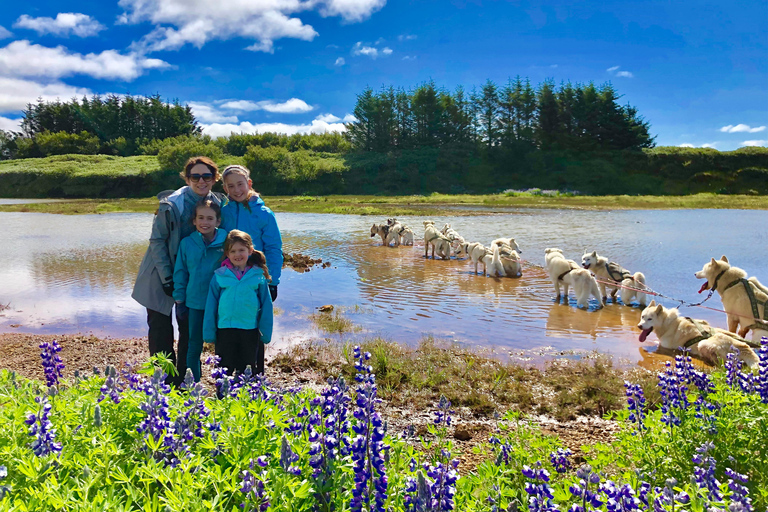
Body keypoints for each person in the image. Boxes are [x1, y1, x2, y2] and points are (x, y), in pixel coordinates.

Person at [131, 156, 224, 384]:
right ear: (187, 178)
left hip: (194, 276)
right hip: (160, 270)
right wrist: (167, 278)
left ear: (215, 179)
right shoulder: (171, 203)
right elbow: (157, 241)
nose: (201, 181)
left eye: (207, 176)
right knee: (160, 329)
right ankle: (163, 380)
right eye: (195, 176)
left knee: (189, 329)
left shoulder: (218, 204)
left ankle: (185, 377)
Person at [203, 230, 273, 375]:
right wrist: (209, 331)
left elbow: (267, 306)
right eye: (233, 251)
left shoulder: (258, 276)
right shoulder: (220, 275)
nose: (237, 254)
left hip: (249, 330)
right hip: (225, 330)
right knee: (224, 370)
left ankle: (245, 396)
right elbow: (211, 306)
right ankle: (222, 396)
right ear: (227, 254)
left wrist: (265, 332)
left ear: (250, 250)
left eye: (241, 250)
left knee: (247, 369)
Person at [172, 199, 227, 382]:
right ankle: (192, 384)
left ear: (218, 221)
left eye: (210, 218)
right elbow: (181, 273)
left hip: (221, 303)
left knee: (221, 346)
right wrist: (180, 300)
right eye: (201, 218)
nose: (205, 222)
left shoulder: (226, 241)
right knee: (193, 345)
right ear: (194, 221)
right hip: (194, 303)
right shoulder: (187, 243)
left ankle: (223, 386)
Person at [220, 165, 283, 302]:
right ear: (225, 189)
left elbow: (273, 248)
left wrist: (273, 281)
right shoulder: (223, 213)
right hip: (229, 277)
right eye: (231, 186)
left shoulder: (264, 214)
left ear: (249, 183)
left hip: (256, 277)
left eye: (240, 184)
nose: (236, 190)